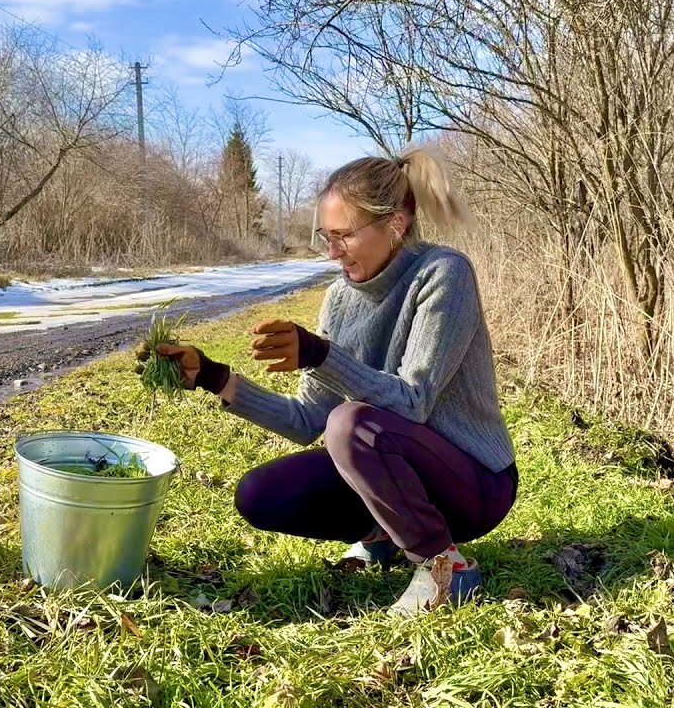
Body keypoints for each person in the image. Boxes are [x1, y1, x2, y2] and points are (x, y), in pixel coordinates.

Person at [143, 146, 518, 615]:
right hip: (393, 464)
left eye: (344, 235)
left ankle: (444, 565)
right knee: (260, 494)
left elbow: (415, 401)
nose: (332, 251)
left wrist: (321, 355)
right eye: (326, 235)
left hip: (474, 482)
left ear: (396, 224)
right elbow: (305, 420)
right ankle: (382, 533)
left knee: (350, 424)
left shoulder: (443, 274)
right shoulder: (339, 300)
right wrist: (214, 377)